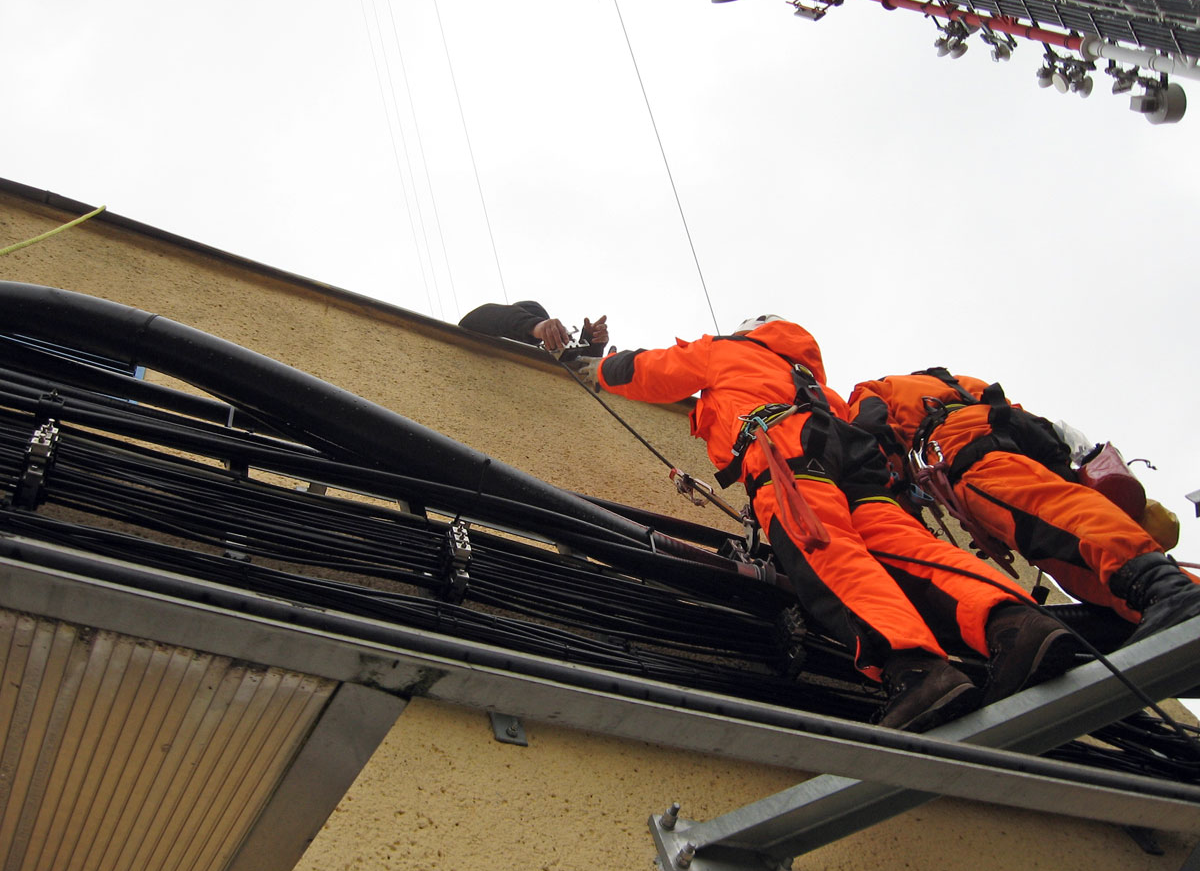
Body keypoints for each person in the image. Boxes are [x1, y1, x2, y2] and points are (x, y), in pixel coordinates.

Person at [591, 316, 1079, 731]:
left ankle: (917, 671)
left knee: (823, 548)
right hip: (850, 450)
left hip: (787, 447)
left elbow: (648, 371)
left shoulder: (724, 351)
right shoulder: (813, 383)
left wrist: (596, 367)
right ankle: (1015, 625)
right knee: (905, 546)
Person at [847, 368, 1200, 644]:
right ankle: (1162, 602)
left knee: (1054, 516)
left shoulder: (874, 389)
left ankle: (1168, 592)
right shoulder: (956, 382)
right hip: (1022, 435)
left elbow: (869, 431)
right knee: (1061, 542)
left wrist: (894, 494)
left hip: (964, 444)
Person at [458, 301, 608, 356]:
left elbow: (583, 374)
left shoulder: (548, 354)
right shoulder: (489, 327)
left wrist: (591, 343)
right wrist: (534, 326)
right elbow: (472, 320)